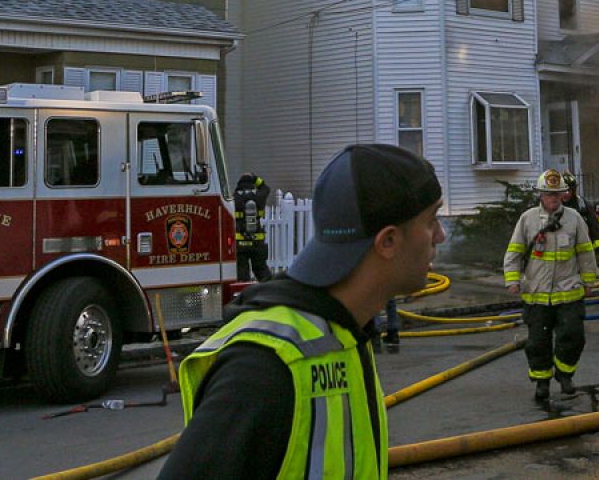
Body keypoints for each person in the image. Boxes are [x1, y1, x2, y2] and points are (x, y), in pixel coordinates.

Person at [165, 144, 444, 480]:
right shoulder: (262, 369)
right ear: (387, 242)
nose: (440, 236)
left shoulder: (345, 333)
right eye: (432, 220)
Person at [504, 168, 599, 401]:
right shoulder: (527, 220)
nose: (553, 198)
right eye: (549, 194)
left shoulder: (574, 219)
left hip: (569, 293)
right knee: (538, 343)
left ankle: (565, 375)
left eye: (557, 194)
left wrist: (589, 281)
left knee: (574, 336)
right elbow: (514, 252)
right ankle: (542, 383)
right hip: (537, 294)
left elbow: (586, 252)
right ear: (540, 195)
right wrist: (512, 279)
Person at [232, 173, 272, 282]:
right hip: (257, 242)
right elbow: (266, 188)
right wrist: (255, 178)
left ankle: (245, 294)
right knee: (261, 270)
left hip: (240, 243)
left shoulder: (235, 198)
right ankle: (269, 292)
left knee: (242, 273)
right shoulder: (259, 196)